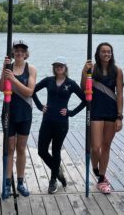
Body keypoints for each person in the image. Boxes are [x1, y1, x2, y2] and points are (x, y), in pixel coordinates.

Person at [32, 56, 85, 194]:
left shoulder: (71, 83)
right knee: (42, 151)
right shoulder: (48, 80)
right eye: (56, 66)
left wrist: (71, 113)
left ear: (65, 67)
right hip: (47, 120)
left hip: (61, 123)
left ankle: (53, 180)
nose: (58, 68)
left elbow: (85, 100)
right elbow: (32, 90)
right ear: (54, 68)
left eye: (61, 65)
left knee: (56, 151)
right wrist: (39, 106)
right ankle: (58, 170)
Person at [81, 42, 123, 194]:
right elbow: (83, 88)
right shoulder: (92, 69)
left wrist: (120, 116)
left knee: (106, 146)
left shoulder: (117, 71)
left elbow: (120, 94)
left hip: (111, 113)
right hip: (96, 111)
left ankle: (102, 178)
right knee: (96, 147)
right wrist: (84, 72)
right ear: (98, 53)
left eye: (109, 52)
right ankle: (96, 169)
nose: (106, 54)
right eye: (103, 52)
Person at [0, 40, 37, 198]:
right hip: (9, 112)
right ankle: (7, 182)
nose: (19, 53)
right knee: (9, 148)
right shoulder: (8, 68)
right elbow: (1, 88)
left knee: (21, 148)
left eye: (22, 51)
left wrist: (13, 79)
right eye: (17, 50)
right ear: (13, 53)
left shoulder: (31, 69)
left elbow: (29, 92)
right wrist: (4, 69)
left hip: (25, 113)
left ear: (26, 53)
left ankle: (20, 182)